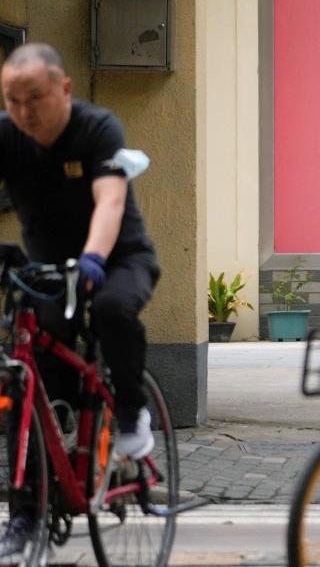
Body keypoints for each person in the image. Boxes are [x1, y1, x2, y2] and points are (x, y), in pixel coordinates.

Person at [0, 44, 161, 557]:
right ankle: (26, 516)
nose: (24, 111)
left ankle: (133, 414)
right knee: (24, 376)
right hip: (48, 271)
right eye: (12, 100)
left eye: (35, 98)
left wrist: (93, 258)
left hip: (116, 260)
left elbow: (110, 201)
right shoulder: (7, 136)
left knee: (113, 310)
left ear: (64, 89)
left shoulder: (97, 129)